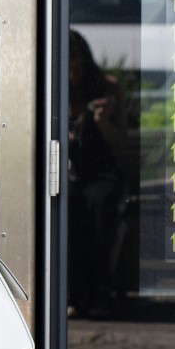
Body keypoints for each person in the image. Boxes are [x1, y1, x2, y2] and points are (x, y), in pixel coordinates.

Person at [66, 28, 127, 317]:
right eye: (69, 64)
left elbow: (122, 145)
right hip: (67, 174)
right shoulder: (52, 89)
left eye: (78, 64)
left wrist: (104, 122)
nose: (73, 72)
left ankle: (99, 290)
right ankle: (72, 292)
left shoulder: (106, 89)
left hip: (100, 174)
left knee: (97, 204)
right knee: (68, 204)